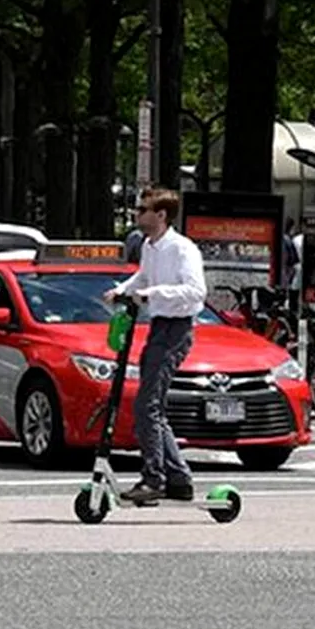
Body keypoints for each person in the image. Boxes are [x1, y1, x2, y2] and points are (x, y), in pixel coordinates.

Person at [104, 188, 206, 503]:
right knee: (152, 408)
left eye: (143, 210)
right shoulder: (149, 246)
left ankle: (153, 478)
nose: (137, 215)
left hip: (177, 329)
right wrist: (120, 290)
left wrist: (153, 294)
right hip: (159, 326)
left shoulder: (182, 249)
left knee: (146, 406)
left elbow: (195, 291)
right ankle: (179, 479)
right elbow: (142, 277)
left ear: (161, 215)